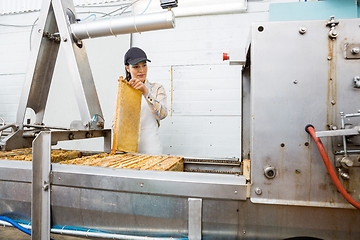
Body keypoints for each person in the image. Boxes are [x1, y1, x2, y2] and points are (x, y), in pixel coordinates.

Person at [124, 47, 168, 155]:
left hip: (152, 149)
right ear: (127, 68)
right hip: (128, 151)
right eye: (136, 67)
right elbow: (116, 123)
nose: (141, 70)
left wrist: (146, 92)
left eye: (144, 65)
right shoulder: (123, 91)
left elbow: (162, 114)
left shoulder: (157, 88)